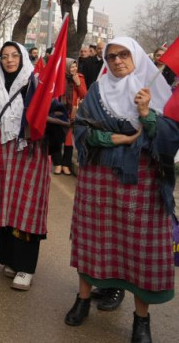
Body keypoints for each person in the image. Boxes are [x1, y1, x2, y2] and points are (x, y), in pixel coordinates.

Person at [64, 37, 177, 342]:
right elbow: (83, 130)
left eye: (123, 55)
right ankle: (83, 299)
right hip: (98, 176)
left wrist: (146, 113)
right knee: (92, 237)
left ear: (136, 56)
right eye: (111, 56)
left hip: (142, 180)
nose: (116, 61)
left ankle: (142, 321)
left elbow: (168, 140)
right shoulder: (98, 90)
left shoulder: (155, 91)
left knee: (140, 247)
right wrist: (119, 140)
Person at [0, 41, 64, 291]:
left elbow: (58, 115)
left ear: (22, 59)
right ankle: (9, 260)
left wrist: (44, 122)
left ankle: (26, 268)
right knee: (3, 206)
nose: (9, 60)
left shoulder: (37, 85)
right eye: (5, 56)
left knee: (26, 208)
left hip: (30, 154)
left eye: (14, 55)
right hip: (2, 155)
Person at [52, 59, 87, 176]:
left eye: (75, 67)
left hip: (72, 112)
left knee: (68, 141)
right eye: (71, 67)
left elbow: (85, 96)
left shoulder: (79, 77)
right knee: (57, 137)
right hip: (59, 112)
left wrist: (78, 83)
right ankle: (57, 164)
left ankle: (66, 164)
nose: (74, 69)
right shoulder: (59, 77)